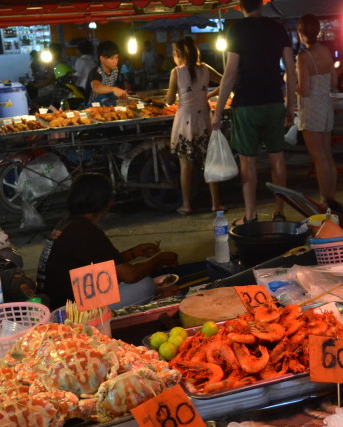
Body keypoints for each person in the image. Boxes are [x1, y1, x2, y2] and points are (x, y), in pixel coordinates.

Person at [36, 173, 179, 310]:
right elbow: (130, 275)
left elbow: (101, 265)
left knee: (122, 279)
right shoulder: (83, 230)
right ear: (106, 202)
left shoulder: (68, 224)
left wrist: (133, 253)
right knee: (144, 284)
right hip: (70, 311)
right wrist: (159, 259)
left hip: (58, 303)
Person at [212, 0, 296, 225]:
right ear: (261, 4)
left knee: (248, 161)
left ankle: (250, 215)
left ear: (240, 6)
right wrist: (290, 105)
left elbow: (230, 74)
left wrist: (217, 111)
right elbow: (290, 68)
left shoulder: (237, 30)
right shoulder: (278, 28)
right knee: (277, 156)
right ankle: (279, 212)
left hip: (246, 103)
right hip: (273, 101)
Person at [166, 36, 223, 215]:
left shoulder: (176, 72)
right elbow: (226, 80)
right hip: (204, 119)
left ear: (177, 54)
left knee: (186, 166)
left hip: (185, 122)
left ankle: (187, 205)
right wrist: (207, 95)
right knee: (210, 162)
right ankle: (216, 204)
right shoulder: (205, 68)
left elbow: (168, 100)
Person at [296, 13, 338, 206]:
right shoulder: (326, 52)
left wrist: (289, 83)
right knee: (327, 155)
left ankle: (325, 199)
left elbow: (304, 89)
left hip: (312, 107)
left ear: (300, 32)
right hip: (326, 105)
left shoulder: (304, 57)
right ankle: (331, 196)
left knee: (318, 156)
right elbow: (334, 81)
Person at [87, 41, 129, 107]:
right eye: (112, 58)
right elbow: (96, 88)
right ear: (102, 59)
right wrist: (114, 89)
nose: (115, 61)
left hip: (107, 105)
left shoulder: (115, 70)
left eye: (117, 57)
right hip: (93, 107)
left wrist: (120, 93)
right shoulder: (96, 72)